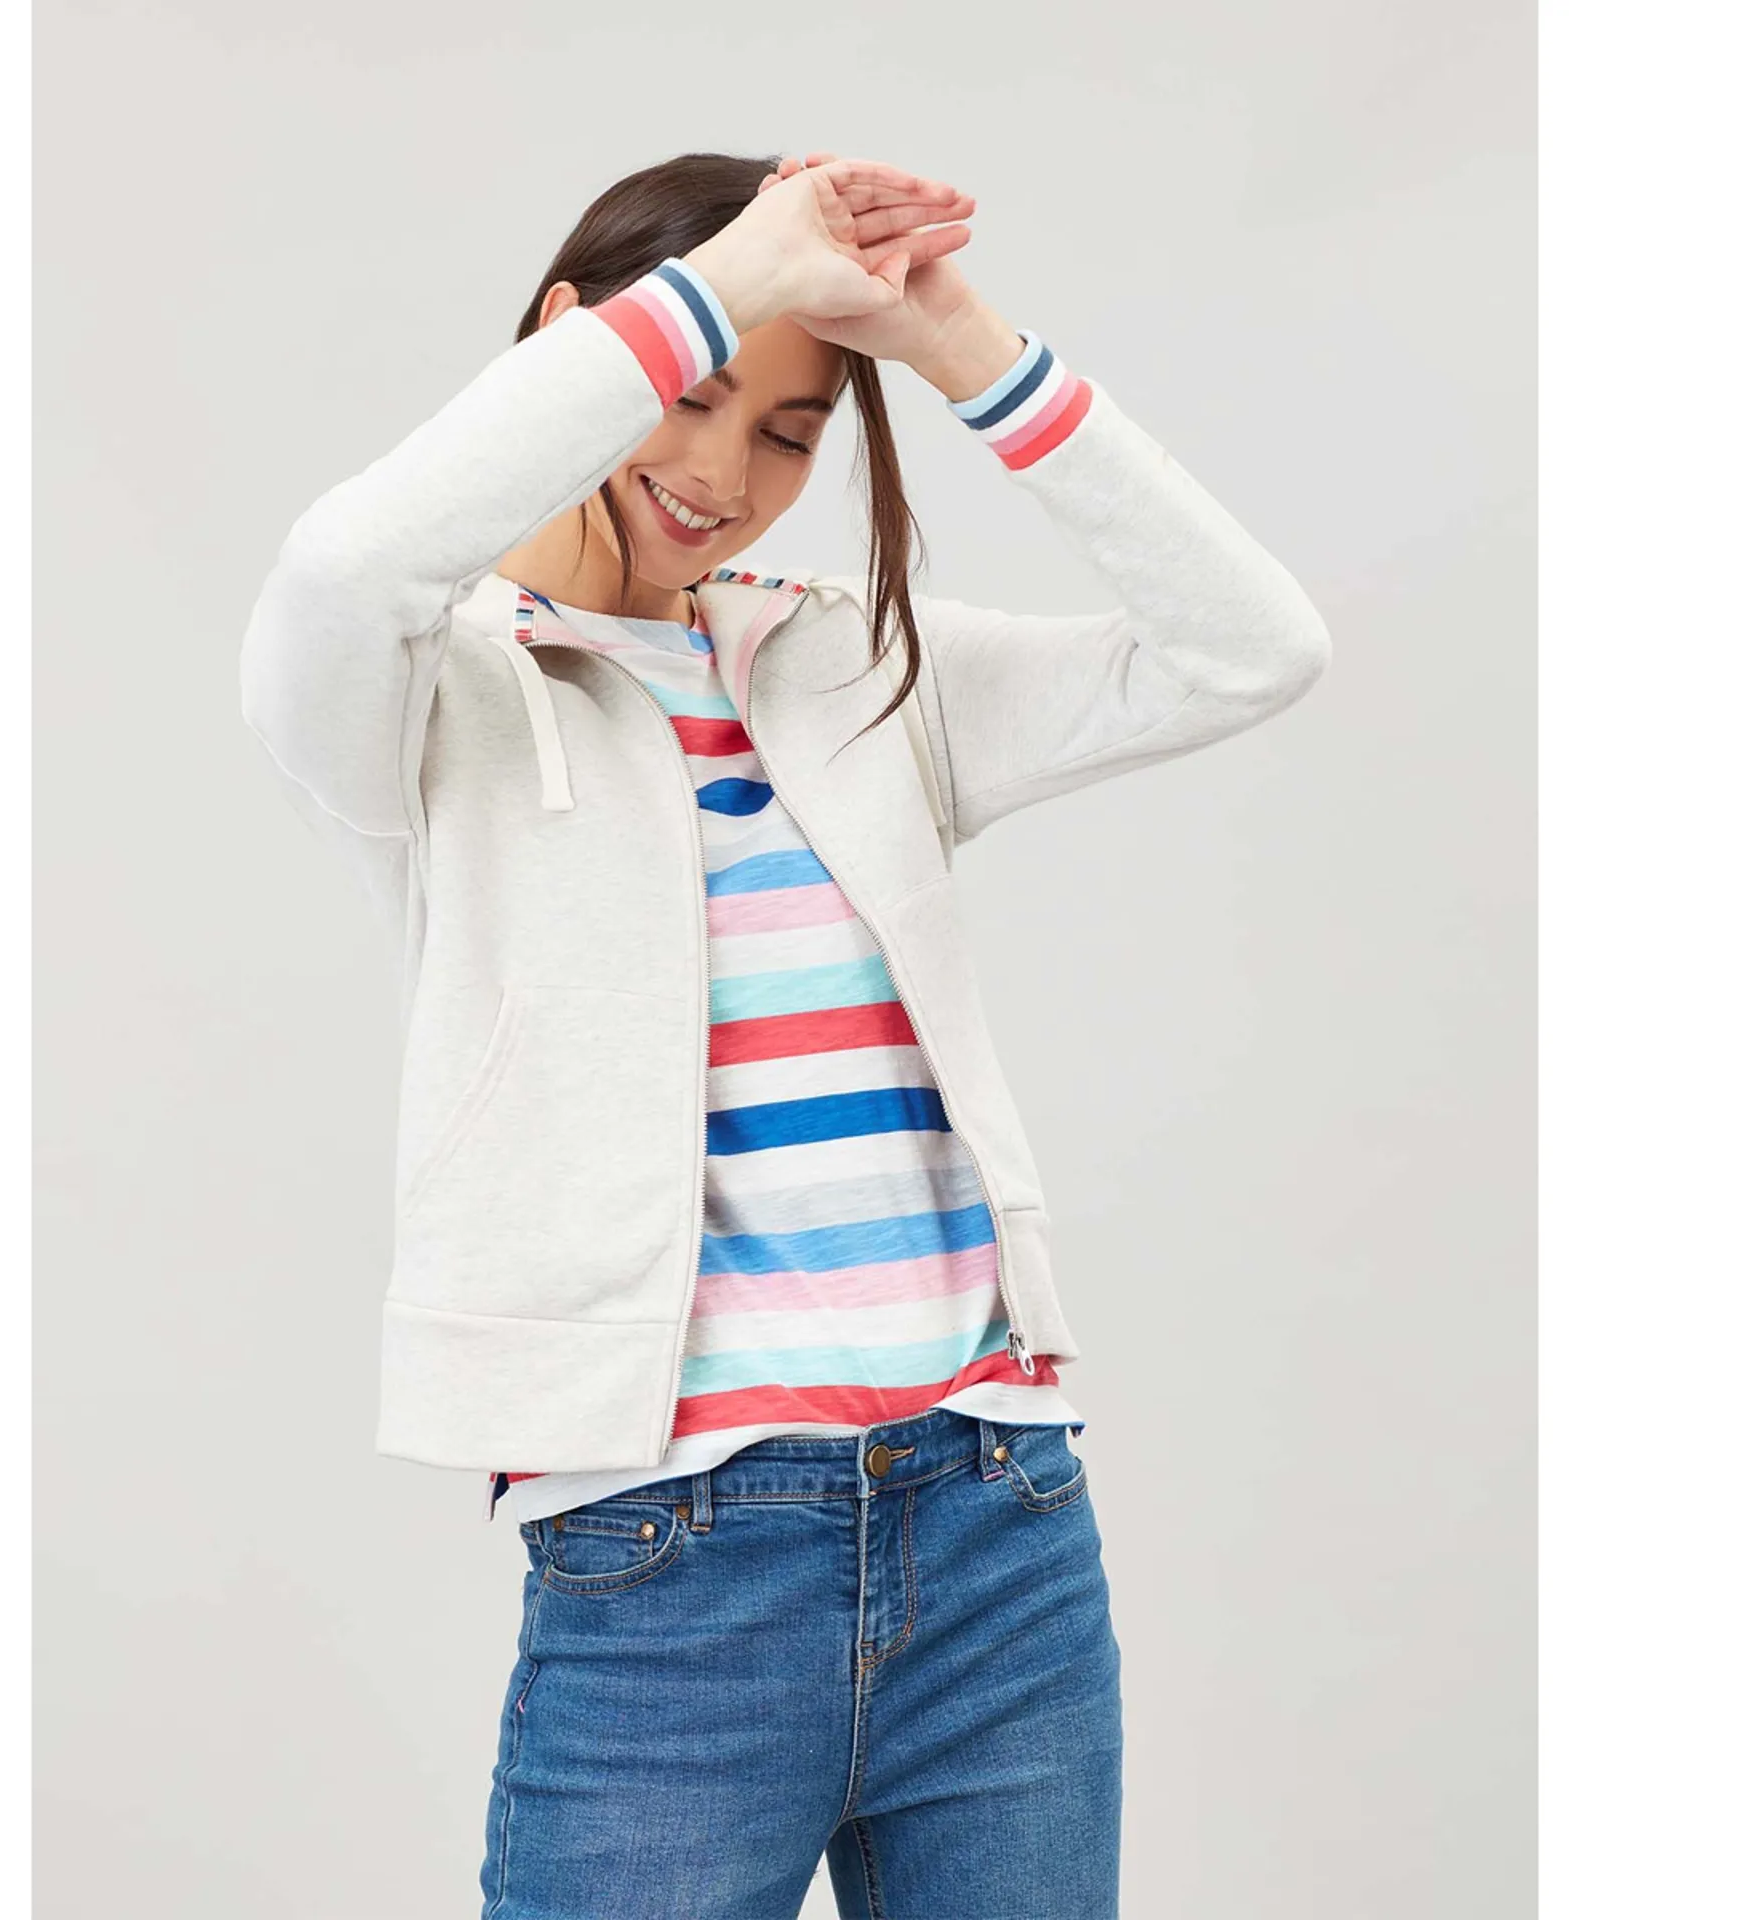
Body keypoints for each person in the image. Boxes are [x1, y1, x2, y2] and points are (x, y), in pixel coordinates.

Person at [239, 147, 1330, 1920]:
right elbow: (345, 562)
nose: (720, 474)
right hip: (673, 1563)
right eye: (692, 396)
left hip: (998, 1529)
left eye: (790, 431)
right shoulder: (427, 691)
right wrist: (738, 277)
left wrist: (955, 337)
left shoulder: (853, 663)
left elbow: (1250, 650)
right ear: (574, 343)